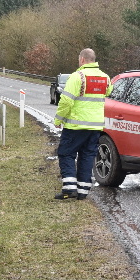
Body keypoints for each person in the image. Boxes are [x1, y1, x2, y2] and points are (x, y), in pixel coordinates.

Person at [53, 48, 112, 200]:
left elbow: (66, 101)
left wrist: (58, 119)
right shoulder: (105, 77)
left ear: (82, 60)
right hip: (95, 127)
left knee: (66, 153)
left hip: (75, 126)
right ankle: (83, 191)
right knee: (87, 156)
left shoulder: (77, 76)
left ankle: (69, 189)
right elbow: (108, 92)